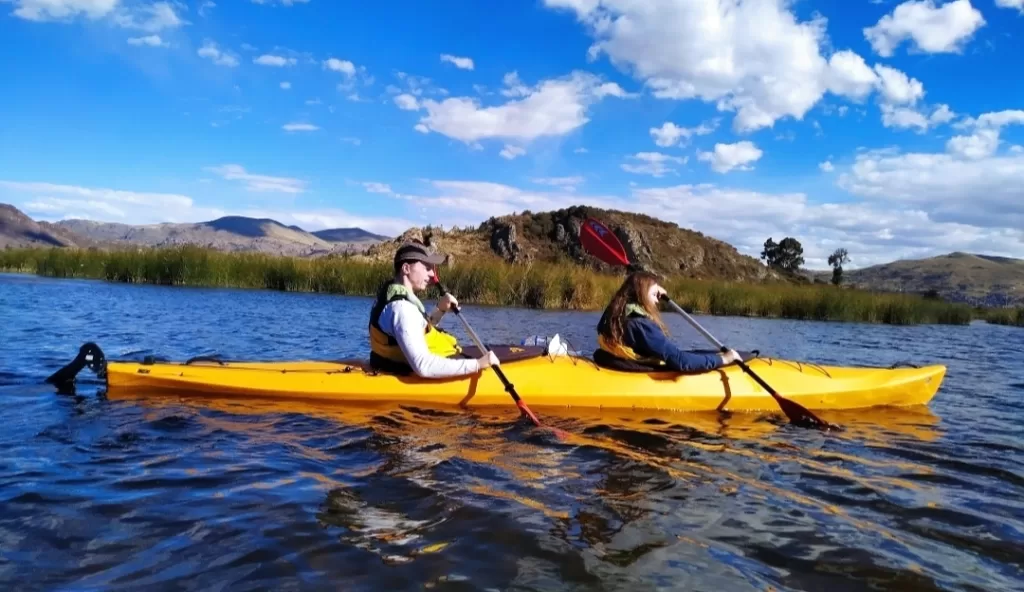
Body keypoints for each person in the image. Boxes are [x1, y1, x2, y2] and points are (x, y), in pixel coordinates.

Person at [368, 240, 500, 377]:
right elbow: (423, 365)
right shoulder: (402, 309)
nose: (432, 274)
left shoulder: (394, 298)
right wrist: (477, 364)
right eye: (427, 268)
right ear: (406, 268)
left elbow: (417, 331)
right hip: (425, 370)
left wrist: (440, 310)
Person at [595, 270, 743, 372]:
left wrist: (652, 285)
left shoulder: (615, 314)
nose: (657, 301)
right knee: (686, 356)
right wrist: (724, 359)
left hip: (611, 361)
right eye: (653, 295)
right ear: (640, 295)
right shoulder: (641, 325)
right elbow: (681, 362)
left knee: (700, 353)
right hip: (637, 371)